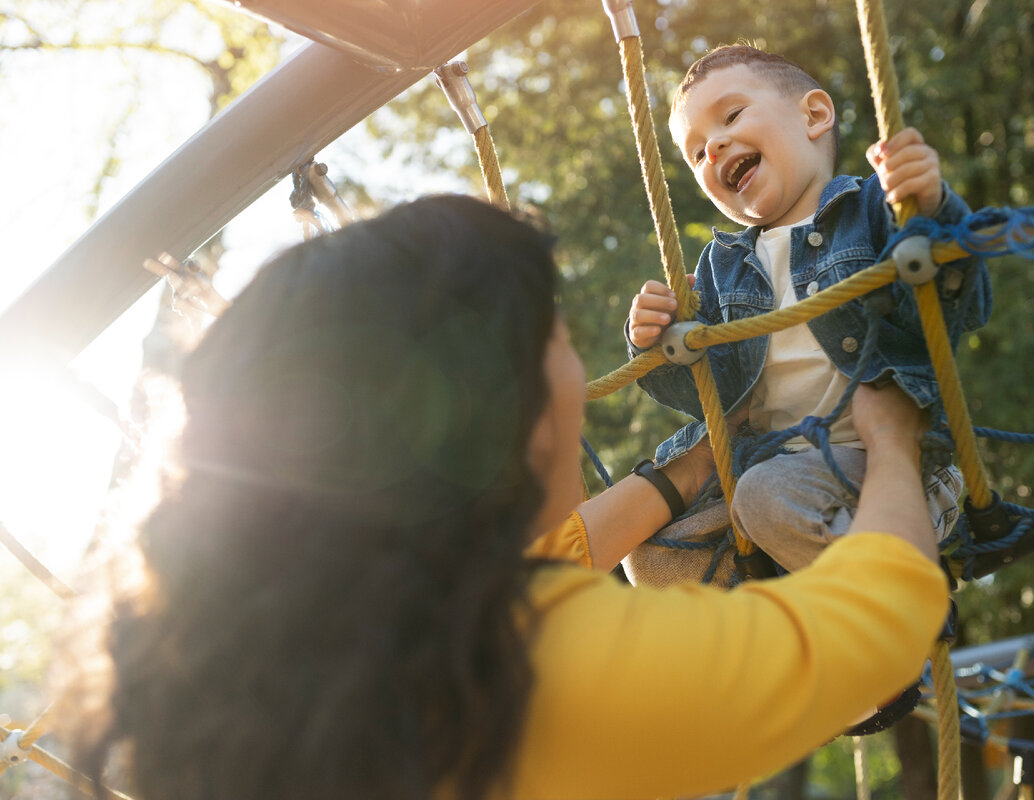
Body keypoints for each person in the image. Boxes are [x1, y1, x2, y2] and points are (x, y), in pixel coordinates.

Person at [75, 195, 949, 800]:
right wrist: (894, 442)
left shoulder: (258, 666)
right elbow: (879, 620)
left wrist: (688, 473)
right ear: (508, 414)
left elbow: (560, 551)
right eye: (563, 344)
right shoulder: (536, 666)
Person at [624, 45, 992, 585]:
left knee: (765, 496)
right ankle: (806, 627)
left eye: (730, 116)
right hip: (778, 470)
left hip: (882, 461)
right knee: (650, 555)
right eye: (697, 153)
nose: (716, 146)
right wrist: (656, 342)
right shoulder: (720, 268)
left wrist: (932, 211)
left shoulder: (871, 210)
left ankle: (890, 608)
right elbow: (710, 396)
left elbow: (960, 306)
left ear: (814, 116)